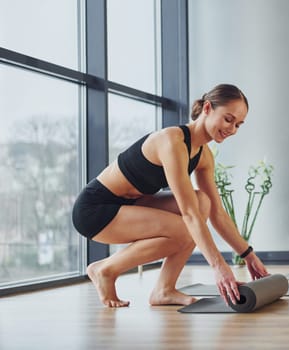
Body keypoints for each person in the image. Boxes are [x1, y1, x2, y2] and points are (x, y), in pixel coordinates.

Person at [72, 83, 269, 308]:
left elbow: (217, 213)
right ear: (207, 108)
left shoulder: (203, 156)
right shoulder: (172, 141)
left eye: (238, 124)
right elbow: (189, 214)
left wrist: (248, 255)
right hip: (95, 210)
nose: (232, 129)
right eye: (228, 119)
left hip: (132, 204)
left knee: (202, 202)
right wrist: (218, 266)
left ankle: (164, 290)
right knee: (187, 226)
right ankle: (105, 270)